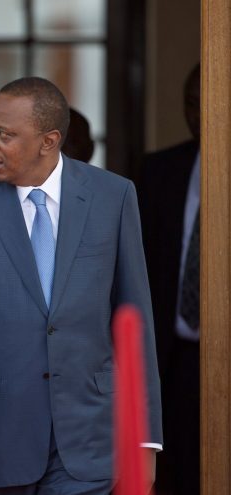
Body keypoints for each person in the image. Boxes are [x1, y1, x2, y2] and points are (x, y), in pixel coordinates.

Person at [0, 77, 162, 494]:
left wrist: (145, 438)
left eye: (5, 134)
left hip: (90, 441)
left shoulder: (113, 196)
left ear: (49, 141)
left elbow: (134, 321)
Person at [138, 63, 200, 495]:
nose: (199, 115)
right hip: (170, 358)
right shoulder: (159, 170)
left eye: (209, 103)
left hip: (223, 356)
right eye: (191, 104)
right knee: (173, 472)